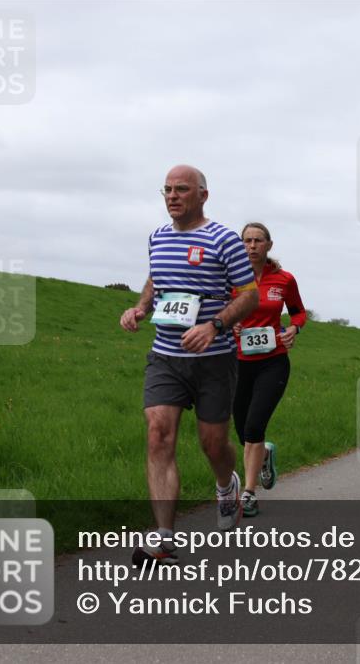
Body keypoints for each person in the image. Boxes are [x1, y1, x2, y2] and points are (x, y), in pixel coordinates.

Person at [120, 165, 259, 565]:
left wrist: (214, 326)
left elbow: (248, 295)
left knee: (212, 444)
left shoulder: (224, 240)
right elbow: (155, 279)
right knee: (158, 435)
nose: (172, 196)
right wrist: (140, 308)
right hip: (166, 356)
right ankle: (163, 537)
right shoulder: (157, 238)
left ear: (203, 195)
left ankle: (225, 484)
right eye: (166, 190)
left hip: (213, 360)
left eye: (182, 189)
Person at [231, 222, 306, 517]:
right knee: (242, 430)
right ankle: (264, 454)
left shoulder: (284, 279)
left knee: (254, 426)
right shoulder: (231, 278)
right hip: (237, 362)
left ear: (269, 245)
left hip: (273, 361)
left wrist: (294, 330)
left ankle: (248, 494)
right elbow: (216, 311)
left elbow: (298, 311)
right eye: (247, 241)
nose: (252, 246)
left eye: (258, 241)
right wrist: (230, 321)